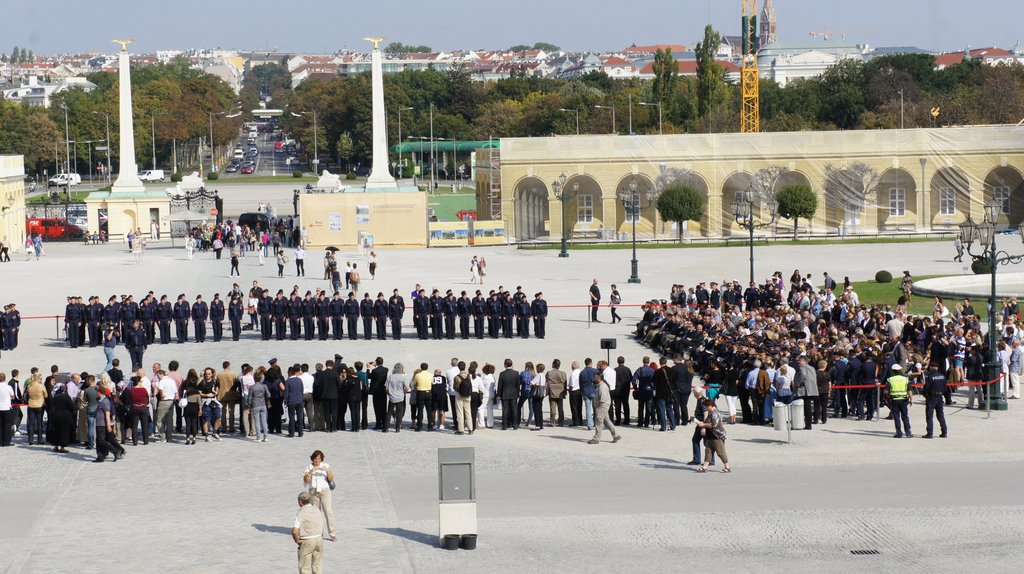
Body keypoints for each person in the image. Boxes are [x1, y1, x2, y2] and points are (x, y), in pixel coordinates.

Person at [303, 450, 337, 542]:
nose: (317, 460)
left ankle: (332, 534)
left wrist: (327, 471)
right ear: (312, 458)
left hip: (325, 491)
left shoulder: (325, 465)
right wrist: (310, 472)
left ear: (321, 459)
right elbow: (305, 480)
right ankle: (318, 533)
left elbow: (331, 478)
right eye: (315, 458)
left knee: (328, 512)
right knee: (316, 513)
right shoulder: (309, 467)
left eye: (319, 458)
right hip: (313, 492)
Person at [292, 491, 325, 574]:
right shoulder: (316, 509)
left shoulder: (301, 512)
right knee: (317, 566)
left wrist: (297, 541)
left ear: (300, 501)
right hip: (319, 539)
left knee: (304, 568)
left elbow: (294, 531)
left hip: (307, 541)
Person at [694, 400, 730, 473]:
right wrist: (703, 424)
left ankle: (727, 466)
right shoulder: (710, 412)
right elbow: (708, 422)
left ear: (711, 405)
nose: (706, 408)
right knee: (708, 452)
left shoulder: (715, 413)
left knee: (720, 452)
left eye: (707, 406)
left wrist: (703, 425)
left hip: (717, 436)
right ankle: (704, 467)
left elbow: (713, 425)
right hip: (710, 436)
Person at [588, 373, 621, 444]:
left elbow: (603, 398)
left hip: (601, 407)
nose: (594, 379)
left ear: (599, 378)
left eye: (595, 377)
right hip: (602, 406)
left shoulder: (602, 387)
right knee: (607, 421)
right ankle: (616, 435)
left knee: (598, 422)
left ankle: (596, 439)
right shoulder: (600, 386)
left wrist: (599, 408)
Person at [921, 362, 948, 438]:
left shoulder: (930, 377)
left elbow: (926, 389)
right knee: (940, 415)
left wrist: (925, 395)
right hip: (939, 397)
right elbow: (945, 388)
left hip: (931, 397)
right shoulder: (942, 376)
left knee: (929, 416)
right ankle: (944, 432)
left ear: (931, 368)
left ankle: (930, 433)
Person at [887, 364, 913, 439]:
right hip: (904, 400)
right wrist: (911, 399)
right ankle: (908, 433)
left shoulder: (890, 379)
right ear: (900, 370)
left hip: (895, 400)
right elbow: (909, 390)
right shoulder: (905, 379)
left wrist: (888, 396)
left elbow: (886, 391)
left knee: (896, 417)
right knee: (905, 416)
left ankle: (899, 433)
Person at [47, 385, 75, 453]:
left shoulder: (55, 397)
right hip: (65, 416)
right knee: (64, 432)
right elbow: (72, 407)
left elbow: (51, 407)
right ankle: (62, 447)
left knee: (56, 431)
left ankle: (56, 446)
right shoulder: (66, 397)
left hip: (56, 416)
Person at [384, 363, 409, 432]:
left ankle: (386, 428)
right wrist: (403, 393)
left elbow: (386, 388)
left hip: (392, 397)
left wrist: (389, 394)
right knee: (399, 413)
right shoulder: (403, 377)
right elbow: (407, 388)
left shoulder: (390, 376)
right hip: (400, 397)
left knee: (389, 412)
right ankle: (397, 428)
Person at [496, 359, 519, 430]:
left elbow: (500, 385)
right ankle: (515, 425)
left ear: (505, 365)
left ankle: (504, 425)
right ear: (511, 364)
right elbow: (518, 385)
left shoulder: (502, 374)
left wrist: (498, 394)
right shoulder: (516, 373)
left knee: (505, 410)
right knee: (514, 410)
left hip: (505, 394)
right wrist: (518, 394)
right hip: (514, 394)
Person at [546, 359, 567, 427]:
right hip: (560, 391)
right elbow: (565, 383)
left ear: (553, 364)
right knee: (560, 408)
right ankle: (561, 421)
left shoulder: (549, 373)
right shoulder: (563, 373)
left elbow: (547, 382)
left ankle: (552, 421)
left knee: (553, 408)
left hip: (552, 391)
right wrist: (565, 392)